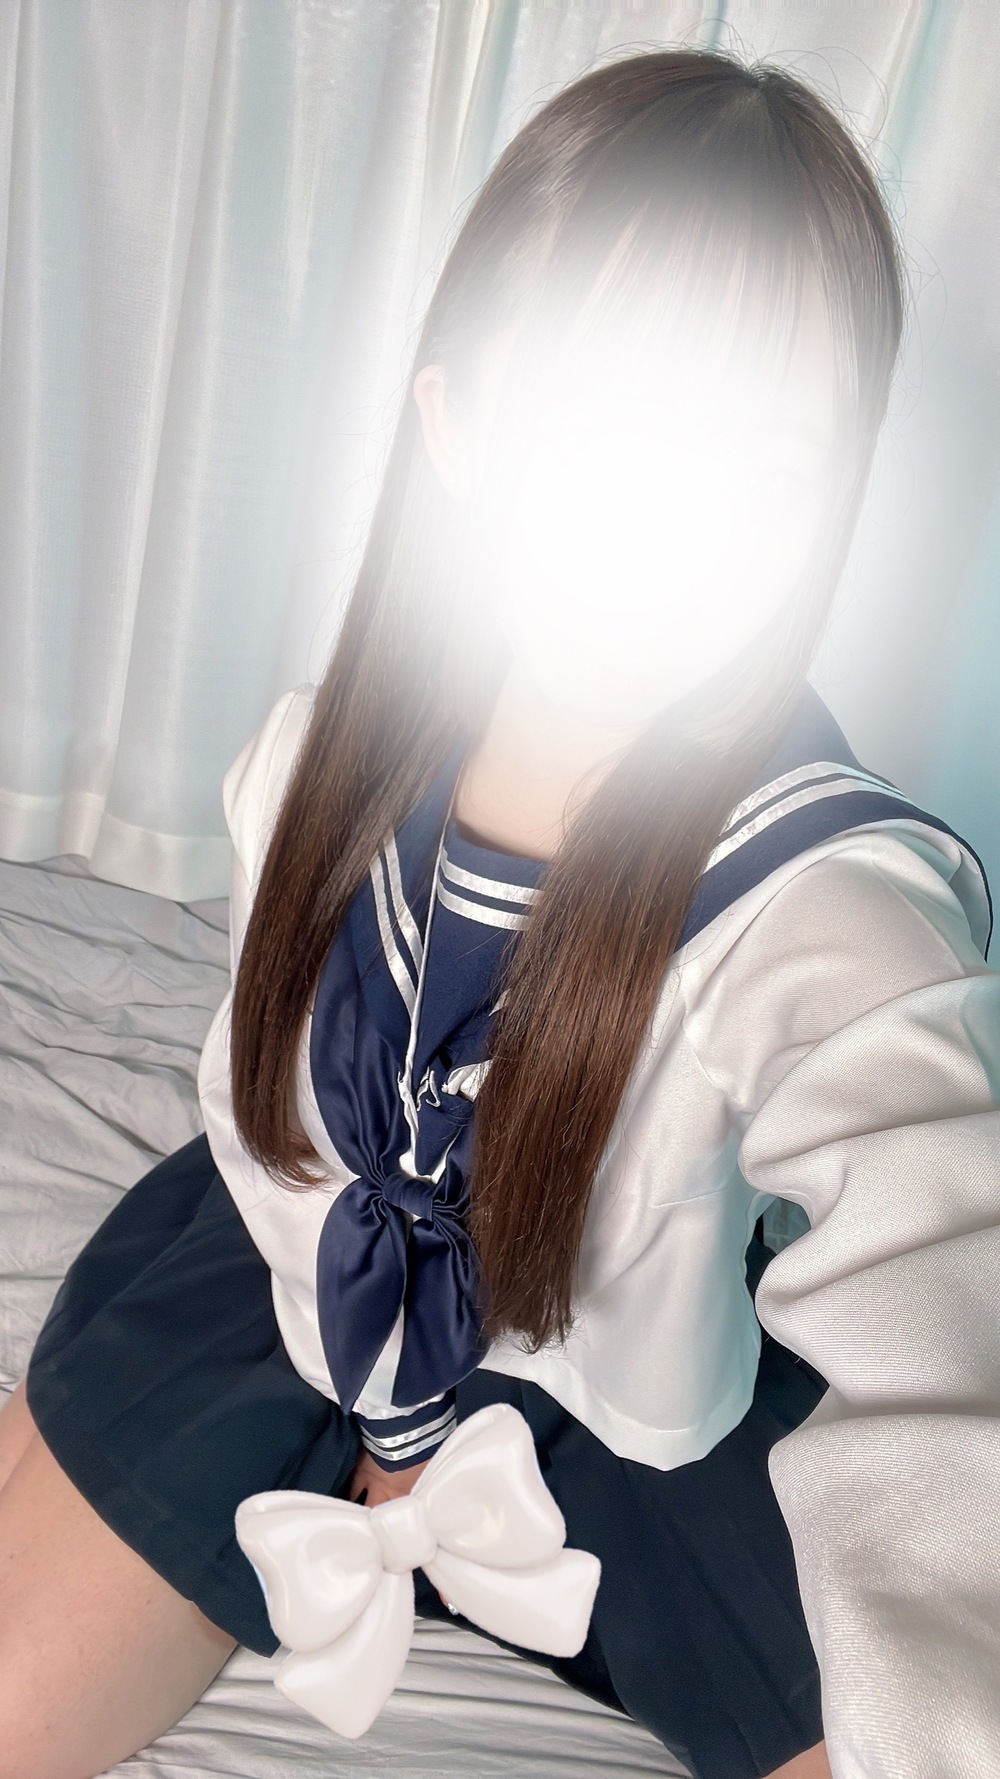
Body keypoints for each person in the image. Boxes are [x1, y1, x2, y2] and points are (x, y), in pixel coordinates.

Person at [2, 43, 998, 1779]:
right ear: (459, 427)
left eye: (761, 468)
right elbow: (271, 1127)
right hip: (293, 1293)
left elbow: (950, 1348)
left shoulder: (835, 908)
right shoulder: (318, 760)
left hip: (633, 1401)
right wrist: (380, 1418)